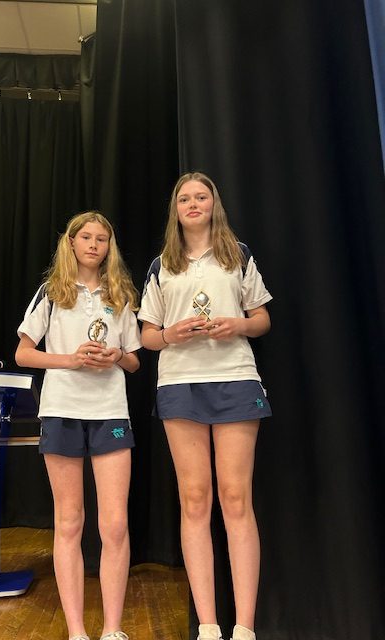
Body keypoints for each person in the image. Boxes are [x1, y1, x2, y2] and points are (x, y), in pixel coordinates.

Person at [138, 173, 272, 640]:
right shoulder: (161, 265)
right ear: (175, 210)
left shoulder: (238, 254)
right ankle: (209, 626)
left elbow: (262, 318)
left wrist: (238, 325)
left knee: (236, 499)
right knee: (195, 499)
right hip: (180, 383)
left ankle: (245, 627)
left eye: (201, 196)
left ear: (214, 204)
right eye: (184, 198)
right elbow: (146, 336)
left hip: (235, 378)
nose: (193, 204)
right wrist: (170, 334)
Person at [16, 211, 141, 640]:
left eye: (101, 239)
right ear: (71, 242)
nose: (93, 245)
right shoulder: (52, 292)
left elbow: (134, 360)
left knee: (115, 525)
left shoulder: (120, 293)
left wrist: (115, 357)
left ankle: (112, 629)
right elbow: (23, 353)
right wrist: (70, 360)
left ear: (109, 246)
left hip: (110, 412)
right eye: (86, 237)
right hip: (62, 409)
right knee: (69, 521)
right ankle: (76, 631)